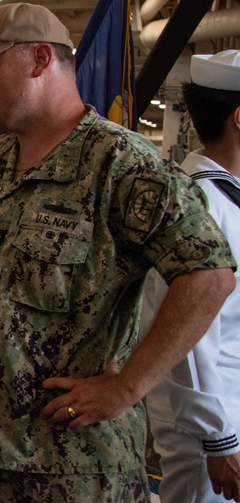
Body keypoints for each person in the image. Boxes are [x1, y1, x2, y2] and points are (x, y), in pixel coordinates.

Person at [0, 2, 237, 502]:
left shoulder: (120, 163)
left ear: (39, 60)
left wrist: (127, 387)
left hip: (71, 468)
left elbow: (210, 275)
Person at [142, 50, 240, 502]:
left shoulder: (226, 197)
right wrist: (219, 437)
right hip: (210, 420)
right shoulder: (198, 203)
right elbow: (188, 335)